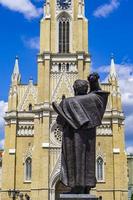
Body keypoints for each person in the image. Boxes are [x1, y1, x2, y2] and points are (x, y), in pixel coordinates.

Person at [52, 73, 109, 194]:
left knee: (73, 160)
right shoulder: (91, 99)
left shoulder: (67, 102)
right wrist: (94, 82)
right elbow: (99, 95)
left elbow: (59, 121)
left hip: (72, 139)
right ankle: (86, 186)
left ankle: (76, 187)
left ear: (74, 89)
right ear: (86, 89)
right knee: (88, 159)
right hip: (88, 139)